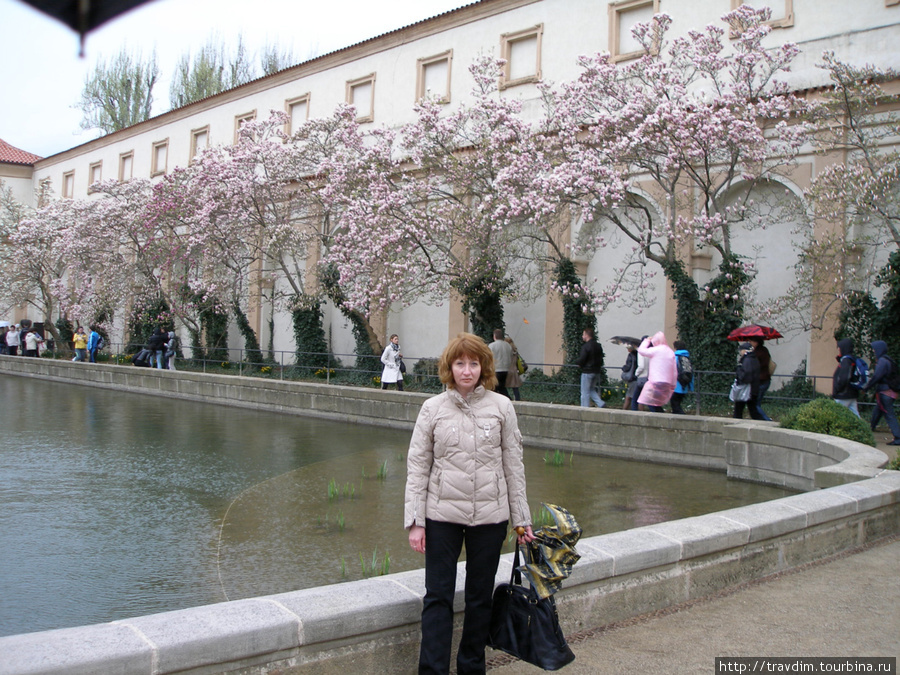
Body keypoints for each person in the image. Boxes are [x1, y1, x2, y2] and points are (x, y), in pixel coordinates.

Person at [405, 332, 535, 674]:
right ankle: (433, 670)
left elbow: (513, 465)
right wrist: (416, 521)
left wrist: (522, 519)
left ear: (484, 366)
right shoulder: (432, 408)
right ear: (450, 367)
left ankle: (471, 667)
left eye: (474, 363)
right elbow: (418, 467)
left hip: (490, 518)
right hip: (441, 516)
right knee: (438, 597)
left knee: (480, 598)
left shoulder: (502, 406)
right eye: (460, 363)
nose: (467, 370)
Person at [862, 340, 900, 446]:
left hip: (885, 392)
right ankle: (870, 429)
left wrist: (866, 388)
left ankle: (898, 437)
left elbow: (876, 377)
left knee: (889, 415)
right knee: (877, 412)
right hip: (889, 392)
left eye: (874, 349)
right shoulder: (888, 360)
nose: (873, 351)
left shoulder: (882, 362)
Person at [637, 332, 676, 412]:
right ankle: (660, 414)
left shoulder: (655, 350)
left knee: (645, 399)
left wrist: (646, 341)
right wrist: (673, 384)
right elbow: (674, 370)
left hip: (654, 381)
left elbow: (641, 351)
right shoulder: (670, 352)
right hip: (667, 382)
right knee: (658, 403)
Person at [733, 342, 764, 420]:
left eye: (741, 350)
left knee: (738, 410)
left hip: (746, 389)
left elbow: (746, 374)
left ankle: (736, 425)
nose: (740, 352)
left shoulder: (747, 360)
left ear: (745, 351)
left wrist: (739, 374)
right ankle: (762, 423)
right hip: (753, 389)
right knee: (753, 409)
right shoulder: (754, 359)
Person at [577, 327, 606, 408]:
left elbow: (582, 359)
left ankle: (584, 409)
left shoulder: (585, 347)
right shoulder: (598, 346)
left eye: (583, 335)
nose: (582, 336)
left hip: (587, 371)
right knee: (591, 389)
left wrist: (578, 363)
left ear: (586, 335)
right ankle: (601, 403)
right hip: (596, 371)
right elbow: (601, 358)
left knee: (584, 392)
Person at [832, 338, 861, 418]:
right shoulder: (851, 359)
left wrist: (838, 389)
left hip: (843, 394)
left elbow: (844, 378)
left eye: (839, 347)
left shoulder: (846, 360)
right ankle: (863, 429)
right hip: (851, 393)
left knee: (835, 415)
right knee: (856, 416)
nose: (838, 349)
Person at [749, 337, 773, 421]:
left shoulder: (757, 353)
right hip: (766, 379)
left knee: (755, 404)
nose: (750, 342)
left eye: (751, 340)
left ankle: (767, 420)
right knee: (756, 403)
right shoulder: (764, 350)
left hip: (760, 381)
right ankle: (762, 419)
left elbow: (753, 366)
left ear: (756, 342)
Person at [488, 328, 513, 399]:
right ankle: (505, 399)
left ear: (494, 336)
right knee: (501, 386)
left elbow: (488, 357)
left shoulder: (491, 346)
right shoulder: (508, 345)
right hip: (506, 369)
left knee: (495, 387)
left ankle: (506, 399)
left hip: (496, 370)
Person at [671, 340, 693, 415]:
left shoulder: (675, 357)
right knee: (677, 403)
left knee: (675, 404)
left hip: (677, 385)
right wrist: (691, 387)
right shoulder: (686, 357)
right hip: (685, 385)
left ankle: (682, 418)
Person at [630, 336, 649, 411]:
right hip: (649, 377)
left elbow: (641, 366)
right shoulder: (650, 352)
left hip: (642, 377)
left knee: (635, 399)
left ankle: (634, 414)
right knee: (645, 398)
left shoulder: (641, 352)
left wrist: (636, 373)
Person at [504, 336, 523, 401]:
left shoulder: (506, 351)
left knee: (502, 387)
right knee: (515, 388)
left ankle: (509, 399)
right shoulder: (515, 351)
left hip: (507, 370)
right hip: (514, 370)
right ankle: (517, 400)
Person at [620, 343, 638, 410]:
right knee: (636, 397)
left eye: (628, 347)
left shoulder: (631, 355)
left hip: (633, 378)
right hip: (638, 378)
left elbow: (628, 366)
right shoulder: (639, 354)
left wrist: (623, 368)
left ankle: (623, 412)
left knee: (628, 397)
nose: (627, 348)